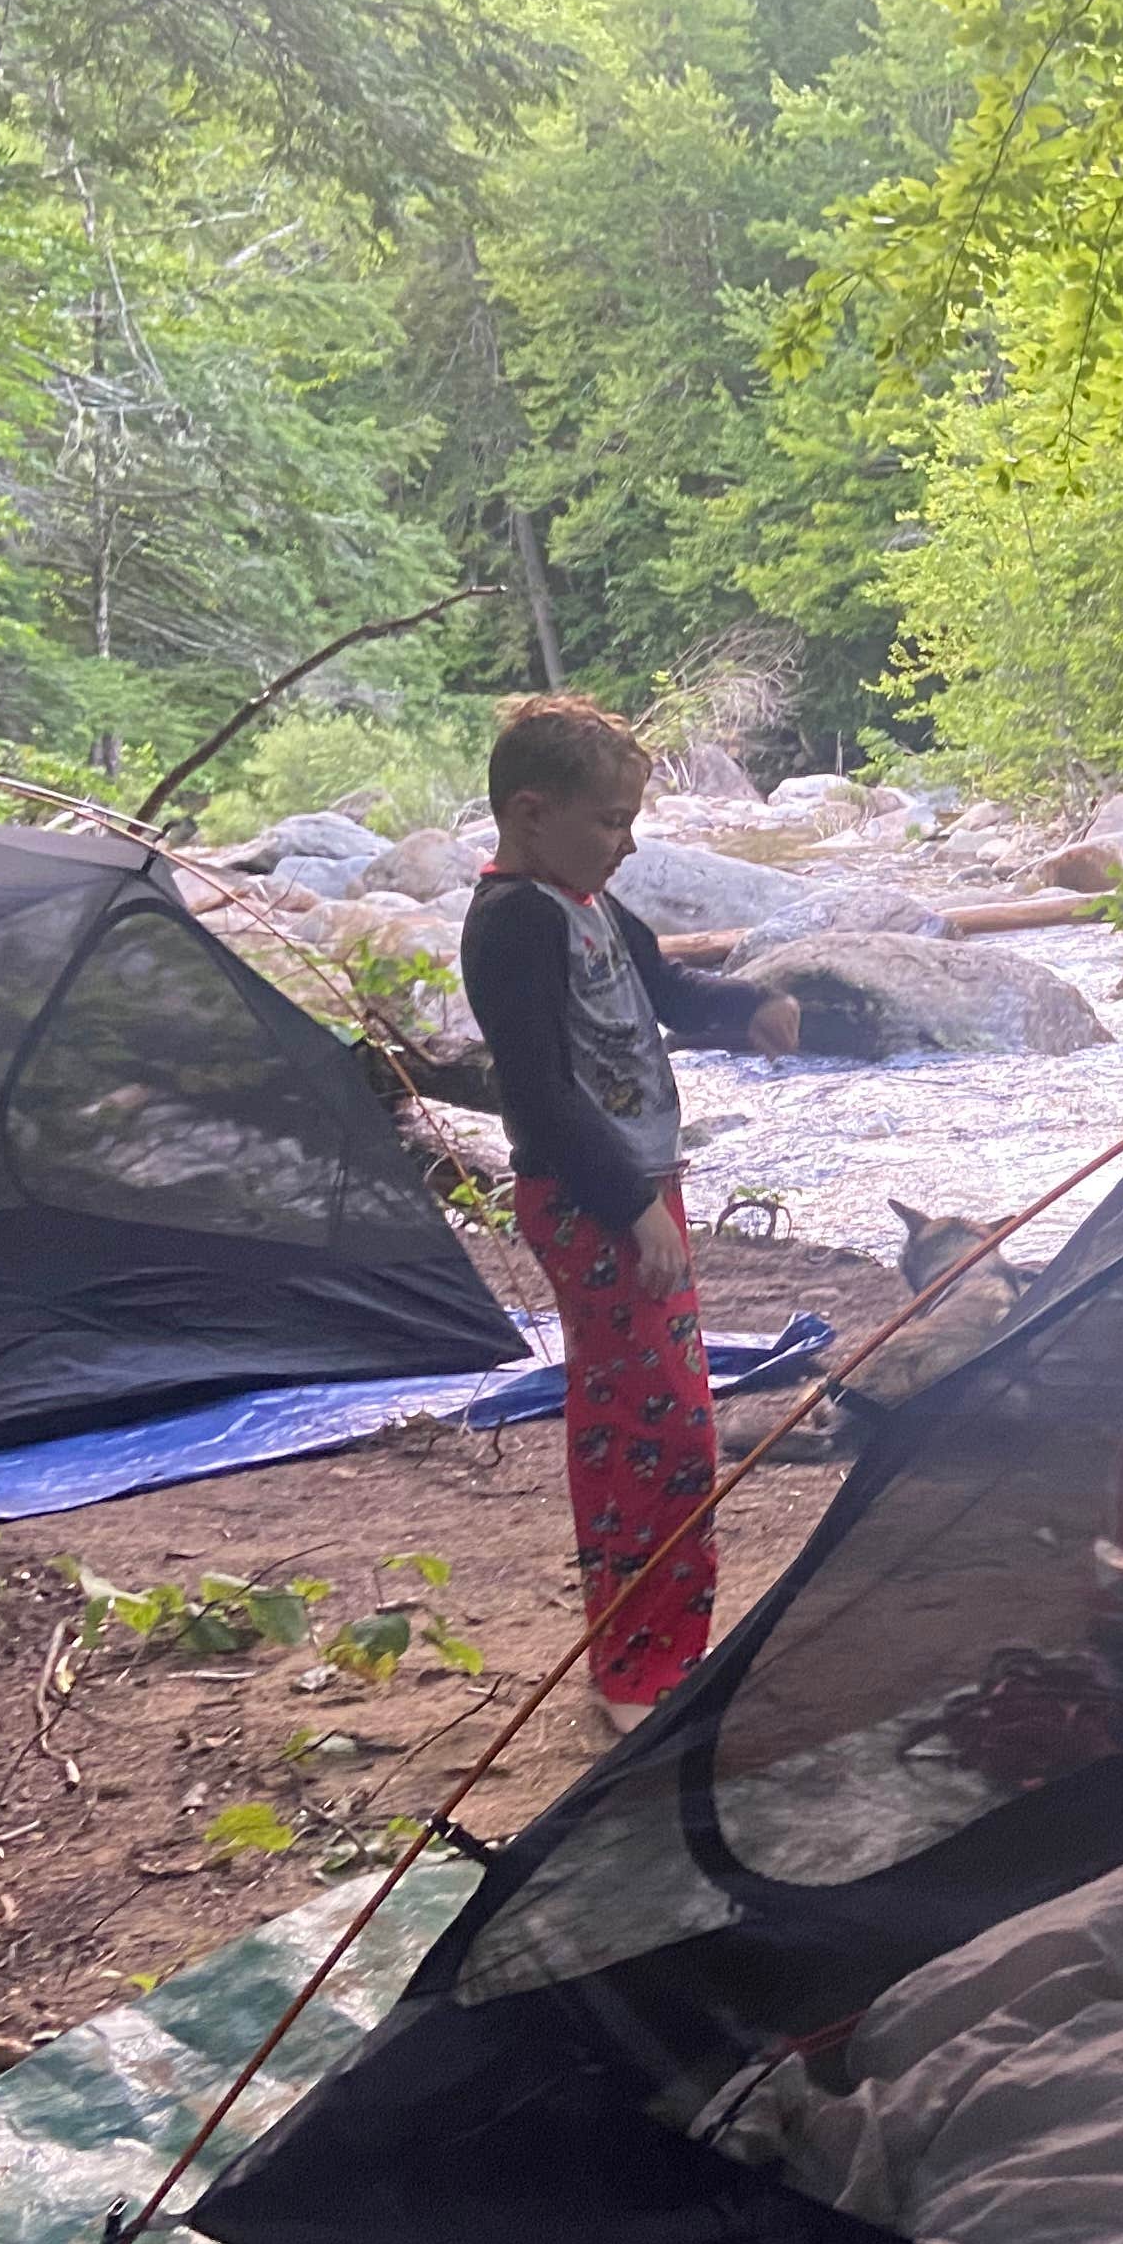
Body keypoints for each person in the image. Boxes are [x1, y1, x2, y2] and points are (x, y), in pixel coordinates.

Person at [462, 698, 804, 1734]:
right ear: (531, 812)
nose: (628, 840)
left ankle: (662, 1650)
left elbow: (659, 985)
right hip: (591, 1201)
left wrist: (744, 1005)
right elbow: (540, 1095)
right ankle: (634, 1671)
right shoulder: (515, 921)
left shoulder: (588, 903)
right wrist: (629, 1206)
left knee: (670, 1417)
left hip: (640, 1193)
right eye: (610, 820)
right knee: (652, 1428)